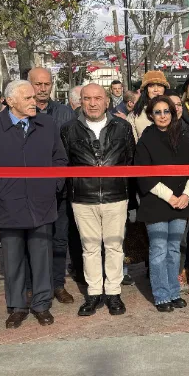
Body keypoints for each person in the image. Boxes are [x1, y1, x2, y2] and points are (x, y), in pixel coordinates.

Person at [0, 80, 67, 328]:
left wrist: (53, 186)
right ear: (10, 101)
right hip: (8, 204)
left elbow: (59, 159)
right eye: (27, 98)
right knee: (13, 260)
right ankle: (17, 306)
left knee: (42, 259)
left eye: (34, 97)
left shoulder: (47, 124)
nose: (34, 102)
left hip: (42, 202)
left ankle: (41, 304)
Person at [60, 83, 135, 317]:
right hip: (83, 198)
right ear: (80, 102)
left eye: (97, 98)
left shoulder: (122, 127)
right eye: (87, 99)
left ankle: (113, 292)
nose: (93, 103)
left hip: (115, 196)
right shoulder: (68, 129)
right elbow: (65, 163)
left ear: (107, 101)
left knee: (114, 246)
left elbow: (129, 159)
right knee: (89, 248)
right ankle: (93, 293)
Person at [135, 95, 189, 312]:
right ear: (151, 115)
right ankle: (161, 295)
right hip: (157, 203)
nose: (163, 116)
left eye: (166, 111)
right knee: (159, 249)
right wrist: (170, 196)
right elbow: (144, 175)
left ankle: (174, 291)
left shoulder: (182, 136)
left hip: (181, 203)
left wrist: (187, 195)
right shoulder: (146, 139)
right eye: (158, 112)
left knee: (174, 249)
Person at [29, 68, 78, 305]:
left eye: (46, 84)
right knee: (35, 240)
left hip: (60, 189)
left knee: (59, 240)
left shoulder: (65, 113)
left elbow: (71, 150)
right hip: (31, 191)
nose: (42, 88)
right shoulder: (22, 112)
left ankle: (58, 284)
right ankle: (35, 285)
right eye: (37, 84)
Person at [128, 71, 169, 140]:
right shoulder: (135, 115)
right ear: (146, 89)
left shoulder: (173, 110)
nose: (156, 90)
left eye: (159, 85)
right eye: (151, 86)